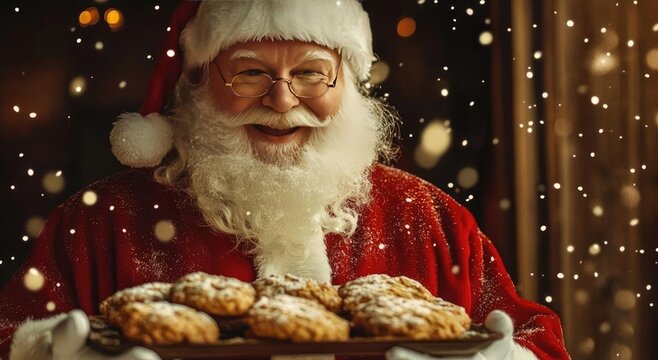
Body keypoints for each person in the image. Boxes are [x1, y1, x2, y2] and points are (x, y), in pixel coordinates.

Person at [0, 1, 569, 359]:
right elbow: (11, 335)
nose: (280, 100)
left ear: (347, 86)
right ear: (198, 81)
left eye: (311, 74)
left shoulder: (427, 217)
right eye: (249, 72)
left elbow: (534, 338)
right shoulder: (102, 221)